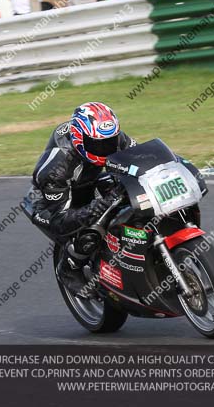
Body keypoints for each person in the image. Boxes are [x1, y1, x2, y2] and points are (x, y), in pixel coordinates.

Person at [23, 102, 135, 295]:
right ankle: (69, 267)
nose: (106, 149)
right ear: (79, 139)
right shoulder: (56, 169)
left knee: (127, 196)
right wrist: (95, 208)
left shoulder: (114, 139)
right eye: (98, 144)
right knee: (90, 227)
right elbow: (60, 219)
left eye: (109, 142)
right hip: (51, 201)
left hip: (88, 178)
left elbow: (140, 158)